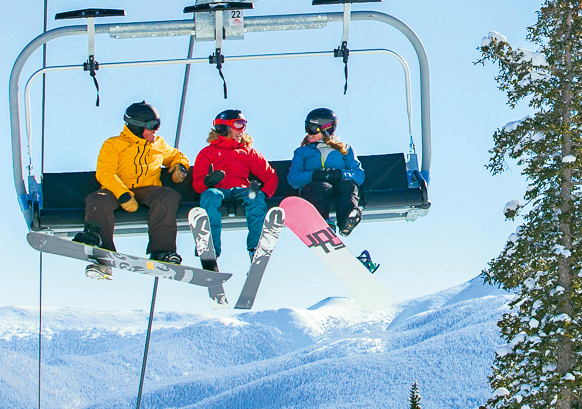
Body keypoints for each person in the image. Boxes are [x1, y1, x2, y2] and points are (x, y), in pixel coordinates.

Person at [74, 101, 191, 278]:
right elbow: (105, 173)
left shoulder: (158, 144)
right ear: (137, 126)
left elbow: (176, 156)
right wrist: (123, 194)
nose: (156, 130)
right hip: (117, 190)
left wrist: (179, 167)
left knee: (167, 195)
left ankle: (163, 252)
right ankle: (102, 254)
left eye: (158, 124)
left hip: (148, 189)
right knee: (97, 199)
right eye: (152, 125)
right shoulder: (114, 144)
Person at [191, 109, 279, 271]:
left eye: (244, 125)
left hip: (241, 190)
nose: (242, 130)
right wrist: (208, 181)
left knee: (255, 198)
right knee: (209, 197)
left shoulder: (248, 152)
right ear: (223, 128)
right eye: (239, 125)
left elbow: (270, 176)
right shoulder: (207, 153)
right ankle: (210, 250)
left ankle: (256, 249)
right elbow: (198, 184)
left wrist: (264, 194)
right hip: (217, 190)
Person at [288, 107, 364, 235]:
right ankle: (321, 223)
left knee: (349, 186)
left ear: (326, 130)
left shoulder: (345, 149)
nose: (308, 133)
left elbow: (359, 175)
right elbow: (293, 178)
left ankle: (347, 220)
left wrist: (340, 175)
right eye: (307, 128)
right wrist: (314, 175)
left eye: (311, 129)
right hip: (315, 189)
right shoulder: (302, 152)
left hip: (339, 187)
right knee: (321, 187)